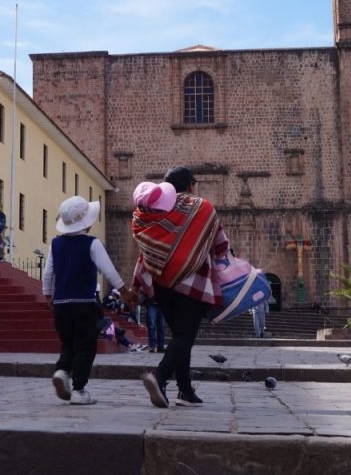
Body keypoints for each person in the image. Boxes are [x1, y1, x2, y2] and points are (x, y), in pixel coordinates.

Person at [130, 169, 228, 408]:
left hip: (161, 283)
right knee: (185, 337)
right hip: (191, 282)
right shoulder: (202, 207)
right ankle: (159, 376)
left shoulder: (155, 208)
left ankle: (185, 390)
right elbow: (220, 244)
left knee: (179, 338)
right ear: (192, 185)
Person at [43, 195, 132, 405]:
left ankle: (62, 371)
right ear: (87, 224)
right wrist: (124, 291)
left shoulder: (55, 244)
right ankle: (79, 390)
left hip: (61, 304)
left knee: (68, 342)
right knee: (85, 346)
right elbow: (108, 270)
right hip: (84, 303)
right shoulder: (92, 244)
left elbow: (48, 272)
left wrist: (48, 294)